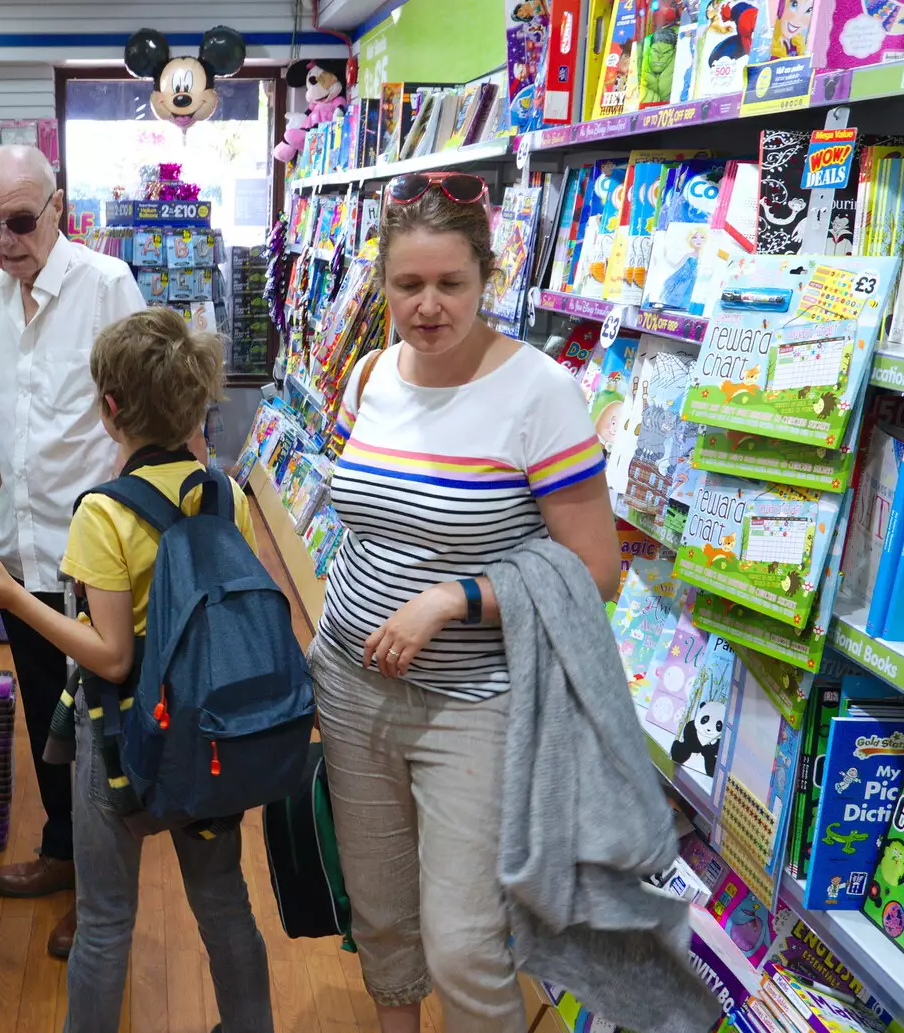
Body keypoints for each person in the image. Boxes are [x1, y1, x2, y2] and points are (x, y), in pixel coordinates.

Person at [309, 171, 620, 1033]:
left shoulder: (539, 392)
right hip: (350, 683)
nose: (430, 305)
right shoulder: (369, 373)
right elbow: (359, 515)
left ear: (490, 277)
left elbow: (596, 569)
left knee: (464, 943)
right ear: (382, 283)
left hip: (476, 702)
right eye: (408, 284)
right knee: (377, 912)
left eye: (452, 283)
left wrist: (456, 595)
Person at [0, 308, 272, 1033]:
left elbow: (110, 653)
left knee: (104, 920)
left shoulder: (102, 513)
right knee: (225, 903)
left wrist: (8, 593)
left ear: (109, 409)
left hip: (123, 740)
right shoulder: (221, 492)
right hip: (209, 733)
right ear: (197, 403)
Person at [0, 143, 147, 957]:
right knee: (46, 720)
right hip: (21, 550)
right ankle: (63, 854)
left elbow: (152, 415)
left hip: (97, 560)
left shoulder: (106, 286)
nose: (4, 239)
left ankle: (105, 898)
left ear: (58, 207)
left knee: (103, 733)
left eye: (18, 220)